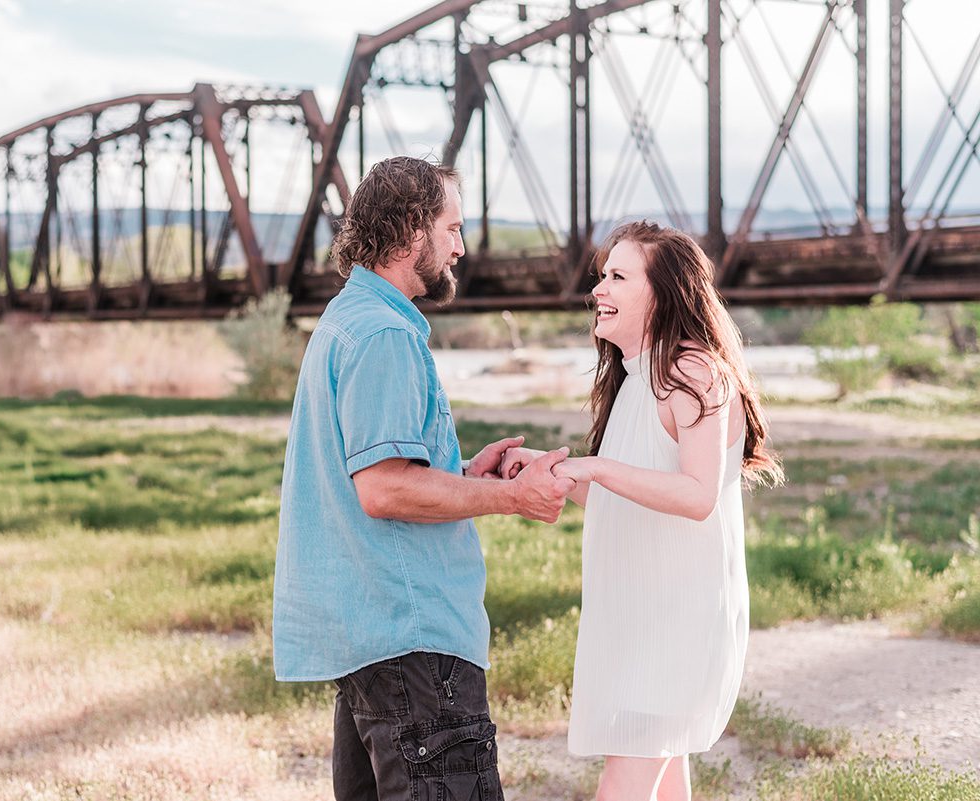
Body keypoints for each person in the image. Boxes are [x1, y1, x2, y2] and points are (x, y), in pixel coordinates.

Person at [273, 155, 576, 801]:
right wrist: (514, 495)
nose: (461, 247)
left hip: (373, 639)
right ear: (412, 230)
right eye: (452, 228)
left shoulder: (348, 320)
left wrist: (463, 473)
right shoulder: (385, 334)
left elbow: (381, 474)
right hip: (412, 640)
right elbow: (384, 488)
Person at [501, 221, 784, 801]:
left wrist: (597, 467)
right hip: (640, 615)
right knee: (666, 780)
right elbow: (628, 500)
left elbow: (697, 495)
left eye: (618, 277)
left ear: (663, 293)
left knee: (623, 787)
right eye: (602, 276)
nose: (598, 290)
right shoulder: (638, 377)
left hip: (675, 618)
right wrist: (549, 471)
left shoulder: (692, 371)